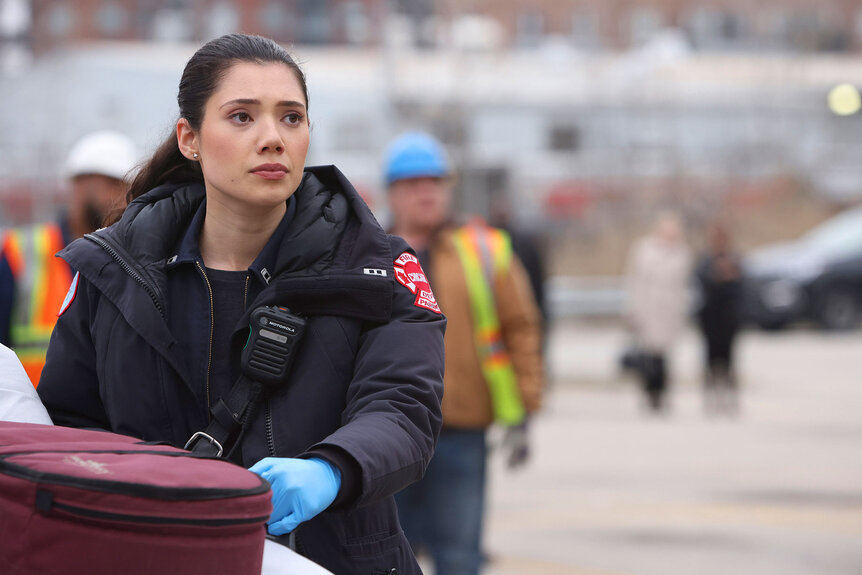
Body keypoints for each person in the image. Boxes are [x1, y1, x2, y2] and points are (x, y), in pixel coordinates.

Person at [36, 34, 445, 575]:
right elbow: (68, 429)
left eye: (291, 118)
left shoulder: (376, 266)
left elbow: (403, 406)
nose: (272, 138)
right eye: (242, 117)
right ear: (190, 138)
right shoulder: (113, 272)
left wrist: (332, 469)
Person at [385, 132, 543, 575]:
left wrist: (524, 408)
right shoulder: (369, 252)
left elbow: (521, 328)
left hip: (461, 429)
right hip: (386, 434)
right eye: (414, 183)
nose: (427, 192)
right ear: (393, 192)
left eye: (435, 182)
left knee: (459, 556)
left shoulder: (483, 249)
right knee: (387, 557)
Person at [0, 131, 137, 386]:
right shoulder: (22, 253)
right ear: (78, 185)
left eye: (126, 187)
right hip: (30, 408)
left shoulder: (133, 260)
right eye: (111, 183)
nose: (120, 198)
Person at [623, 211, 693, 412]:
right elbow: (634, 281)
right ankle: (649, 392)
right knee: (648, 355)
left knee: (664, 356)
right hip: (648, 308)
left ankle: (662, 393)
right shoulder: (644, 250)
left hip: (669, 311)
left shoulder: (682, 253)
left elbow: (682, 285)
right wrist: (632, 310)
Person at [695, 222, 743, 415]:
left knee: (729, 359)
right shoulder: (705, 261)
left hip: (729, 318)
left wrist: (728, 275)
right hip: (710, 317)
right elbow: (701, 282)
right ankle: (711, 396)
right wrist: (717, 275)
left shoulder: (735, 259)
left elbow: (742, 285)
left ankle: (730, 397)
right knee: (710, 358)